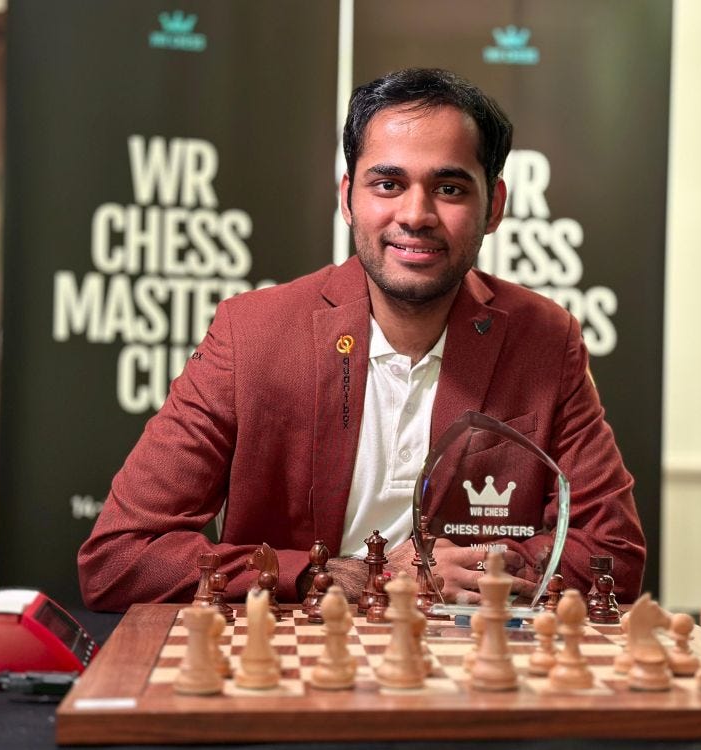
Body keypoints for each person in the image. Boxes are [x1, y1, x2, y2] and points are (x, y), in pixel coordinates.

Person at [78, 68, 645, 612]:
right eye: (388, 184)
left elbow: (613, 553)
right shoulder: (251, 334)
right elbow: (119, 557)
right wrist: (346, 577)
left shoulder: (545, 339)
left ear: (493, 207)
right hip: (295, 662)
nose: (415, 215)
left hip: (469, 666)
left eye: (449, 188)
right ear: (348, 197)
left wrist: (487, 570)